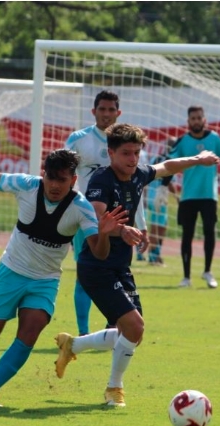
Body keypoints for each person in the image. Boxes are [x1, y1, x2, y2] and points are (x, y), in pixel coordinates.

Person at [0, 149, 128, 408]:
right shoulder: (27, 185)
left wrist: (105, 234)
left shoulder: (81, 208)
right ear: (43, 175)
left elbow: (99, 252)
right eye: (50, 178)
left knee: (29, 333)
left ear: (73, 181)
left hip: (45, 281)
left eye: (61, 180)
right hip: (11, 272)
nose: (54, 185)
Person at [53, 123, 220, 407]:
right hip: (96, 265)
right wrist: (122, 231)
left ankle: (73, 345)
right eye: (126, 153)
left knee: (131, 333)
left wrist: (198, 160)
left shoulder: (138, 174)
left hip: (120, 266)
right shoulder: (101, 181)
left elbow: (166, 166)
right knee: (134, 326)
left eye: (136, 153)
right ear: (111, 153)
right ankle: (113, 389)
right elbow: (96, 221)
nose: (133, 159)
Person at [64, 90, 148, 336]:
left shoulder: (127, 143)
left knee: (117, 273)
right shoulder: (79, 139)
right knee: (86, 271)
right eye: (102, 109)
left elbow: (136, 187)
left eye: (111, 110)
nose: (107, 114)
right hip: (88, 217)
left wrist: (142, 224)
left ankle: (114, 325)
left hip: (122, 220)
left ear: (118, 113)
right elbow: (60, 170)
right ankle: (83, 332)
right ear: (94, 111)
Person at [164, 106, 220, 289]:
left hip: (209, 195)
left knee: (209, 232)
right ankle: (186, 277)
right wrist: (162, 187)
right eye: (193, 118)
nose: (196, 121)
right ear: (188, 121)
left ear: (204, 119)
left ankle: (207, 271)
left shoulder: (214, 139)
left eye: (199, 117)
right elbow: (170, 165)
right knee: (187, 235)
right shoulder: (182, 141)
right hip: (188, 195)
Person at [147, 136, 178, 266]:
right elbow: (169, 183)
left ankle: (156, 255)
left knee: (161, 226)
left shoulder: (156, 158)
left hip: (152, 195)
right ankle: (153, 256)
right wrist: (177, 198)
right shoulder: (171, 161)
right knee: (157, 227)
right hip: (159, 197)